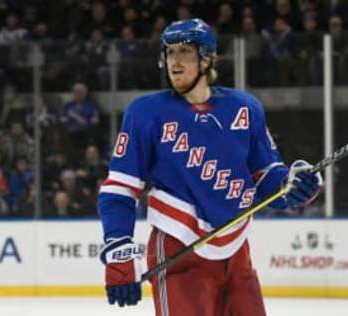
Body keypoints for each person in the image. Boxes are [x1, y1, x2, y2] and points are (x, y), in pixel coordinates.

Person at [97, 18, 323, 315]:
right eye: (169, 53)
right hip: (179, 248)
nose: (173, 62)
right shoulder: (145, 113)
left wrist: (294, 186)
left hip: (237, 252)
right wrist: (118, 248)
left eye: (184, 52)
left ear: (206, 58)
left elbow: (267, 176)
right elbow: (120, 188)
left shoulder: (244, 108)